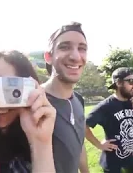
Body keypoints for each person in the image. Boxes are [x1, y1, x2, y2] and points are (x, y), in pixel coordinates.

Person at [43, 22, 89, 173]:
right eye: (65, 47)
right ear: (48, 57)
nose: (76, 56)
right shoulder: (33, 102)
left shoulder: (78, 100)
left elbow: (79, 145)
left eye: (82, 48)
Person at [85, 67, 133, 173]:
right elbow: (83, 126)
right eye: (130, 81)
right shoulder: (105, 106)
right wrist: (99, 144)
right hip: (113, 164)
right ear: (118, 83)